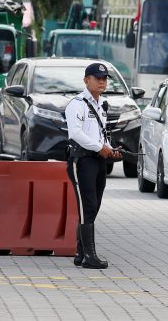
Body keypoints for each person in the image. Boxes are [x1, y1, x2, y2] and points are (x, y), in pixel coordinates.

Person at [65, 62, 120, 269]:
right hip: (82, 160)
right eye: (98, 78)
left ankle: (81, 252)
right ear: (86, 80)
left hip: (98, 160)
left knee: (94, 204)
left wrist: (110, 148)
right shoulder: (77, 104)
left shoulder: (102, 104)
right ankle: (89, 255)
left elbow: (100, 134)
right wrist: (100, 147)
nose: (102, 82)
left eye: (105, 79)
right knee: (87, 205)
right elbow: (76, 134)